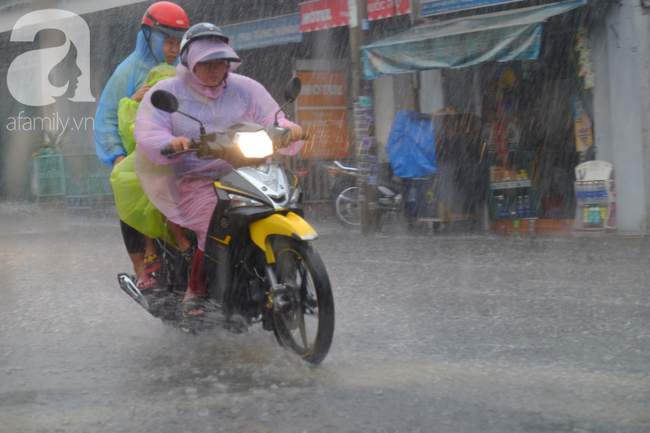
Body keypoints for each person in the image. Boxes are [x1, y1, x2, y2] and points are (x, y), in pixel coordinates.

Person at [134, 23, 303, 318]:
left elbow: (274, 117)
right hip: (196, 180)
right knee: (214, 221)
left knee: (283, 205)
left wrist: (289, 129)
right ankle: (195, 290)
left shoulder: (246, 88)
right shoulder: (167, 91)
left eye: (221, 62)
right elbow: (150, 129)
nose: (215, 69)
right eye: (207, 62)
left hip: (248, 173)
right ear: (189, 62)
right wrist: (171, 142)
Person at [94, 2, 189, 289]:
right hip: (137, 153)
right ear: (149, 35)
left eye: (178, 42)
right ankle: (141, 268)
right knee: (129, 191)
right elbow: (107, 116)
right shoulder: (127, 71)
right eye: (168, 41)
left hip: (177, 151)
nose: (174, 49)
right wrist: (117, 155)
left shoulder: (184, 71)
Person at [110, 64, 195, 292]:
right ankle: (143, 264)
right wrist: (135, 101)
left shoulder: (193, 104)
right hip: (153, 159)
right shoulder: (144, 106)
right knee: (127, 187)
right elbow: (133, 132)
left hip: (192, 159)